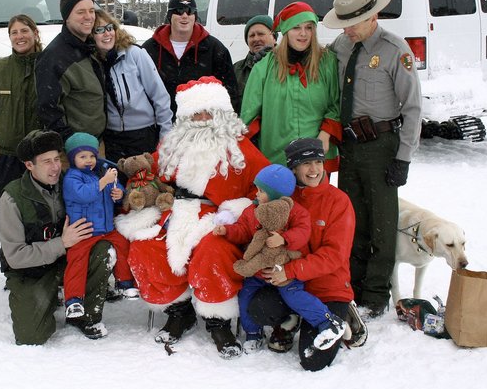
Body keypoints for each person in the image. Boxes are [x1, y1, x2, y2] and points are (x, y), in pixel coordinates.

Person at [119, 76, 270, 359]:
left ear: (221, 113)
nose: (202, 119)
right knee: (145, 247)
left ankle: (218, 320)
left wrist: (238, 211)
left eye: (208, 112)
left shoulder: (241, 148)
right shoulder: (173, 144)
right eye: (195, 113)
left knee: (214, 251)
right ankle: (179, 310)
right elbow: (150, 172)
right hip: (174, 211)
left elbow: (264, 185)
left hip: (217, 215)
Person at [322, 0, 422, 318]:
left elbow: (412, 109)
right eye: (343, 23)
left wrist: (403, 157)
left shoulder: (395, 50)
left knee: (382, 222)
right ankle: (351, 284)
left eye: (352, 23)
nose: (347, 29)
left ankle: (376, 294)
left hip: (381, 145)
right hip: (350, 145)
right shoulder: (341, 45)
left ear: (373, 15)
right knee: (352, 219)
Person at [247, 138, 360, 371]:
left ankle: (343, 312)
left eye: (318, 162)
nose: (315, 169)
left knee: (313, 361)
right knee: (259, 308)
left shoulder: (338, 201)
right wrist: (268, 269)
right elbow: (260, 237)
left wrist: (289, 270)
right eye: (306, 163)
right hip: (290, 286)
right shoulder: (282, 199)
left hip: (327, 288)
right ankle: (293, 318)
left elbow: (334, 255)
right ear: (293, 168)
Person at [214, 164, 347, 354]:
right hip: (258, 272)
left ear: (276, 194)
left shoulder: (294, 211)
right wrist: (228, 231)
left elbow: (303, 231)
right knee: (245, 297)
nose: (257, 194)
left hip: (284, 268)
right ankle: (253, 333)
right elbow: (243, 230)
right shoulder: (253, 210)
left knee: (294, 295)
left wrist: (284, 239)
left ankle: (328, 321)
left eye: (261, 191)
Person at [0, 130, 113, 344]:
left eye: (57, 159)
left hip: (68, 262)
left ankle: (85, 314)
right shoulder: (12, 198)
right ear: (29, 165)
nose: (55, 167)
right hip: (31, 271)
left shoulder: (71, 181)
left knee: (103, 249)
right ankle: (46, 299)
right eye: (46, 162)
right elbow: (15, 256)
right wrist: (62, 242)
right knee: (31, 337)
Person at [240, 2, 342, 170]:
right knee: (282, 197)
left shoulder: (327, 62)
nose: (303, 34)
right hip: (278, 156)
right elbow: (249, 114)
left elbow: (336, 103)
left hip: (316, 159)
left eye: (309, 27)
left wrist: (326, 134)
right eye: (296, 28)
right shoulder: (264, 67)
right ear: (286, 31)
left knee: (316, 197)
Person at [61, 132, 138, 318]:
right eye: (82, 156)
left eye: (92, 156)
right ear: (73, 158)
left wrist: (118, 193)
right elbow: (84, 194)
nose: (88, 160)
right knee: (77, 261)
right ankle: (73, 300)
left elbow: (115, 186)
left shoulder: (101, 173)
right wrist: (104, 181)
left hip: (106, 227)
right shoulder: (72, 178)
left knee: (122, 245)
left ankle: (125, 282)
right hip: (84, 230)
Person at [0, 14, 42, 201]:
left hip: (42, 158)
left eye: (24, 31)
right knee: (9, 212)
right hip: (8, 158)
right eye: (14, 32)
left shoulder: (48, 66)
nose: (19, 36)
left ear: (35, 33)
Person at [93, 10, 172, 162]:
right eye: (99, 30)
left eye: (109, 28)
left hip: (143, 134)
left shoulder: (135, 54)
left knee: (145, 182)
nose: (107, 34)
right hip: (112, 137)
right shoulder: (92, 62)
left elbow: (159, 95)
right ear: (91, 35)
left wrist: (165, 135)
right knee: (118, 183)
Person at [143, 0, 239, 117]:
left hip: (200, 125)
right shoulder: (150, 49)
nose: (184, 16)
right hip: (161, 124)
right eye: (179, 11)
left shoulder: (214, 48)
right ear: (170, 16)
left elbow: (230, 92)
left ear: (195, 16)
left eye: (190, 11)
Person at [35, 0, 106, 149]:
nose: (89, 17)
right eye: (81, 12)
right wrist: (71, 142)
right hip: (76, 151)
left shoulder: (89, 47)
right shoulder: (54, 56)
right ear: (66, 18)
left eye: (92, 10)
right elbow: (48, 108)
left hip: (97, 144)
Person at [232, 15, 276, 102]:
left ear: (274, 38)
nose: (256, 39)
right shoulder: (236, 69)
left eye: (261, 34)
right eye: (252, 35)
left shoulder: (287, 64)